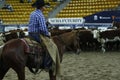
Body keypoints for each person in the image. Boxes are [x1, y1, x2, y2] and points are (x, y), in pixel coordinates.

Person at [28, 0, 61, 76]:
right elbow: (43, 29)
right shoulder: (40, 15)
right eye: (45, 6)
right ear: (42, 7)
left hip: (30, 34)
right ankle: (47, 65)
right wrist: (47, 35)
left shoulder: (32, 13)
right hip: (37, 34)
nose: (46, 7)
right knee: (51, 46)